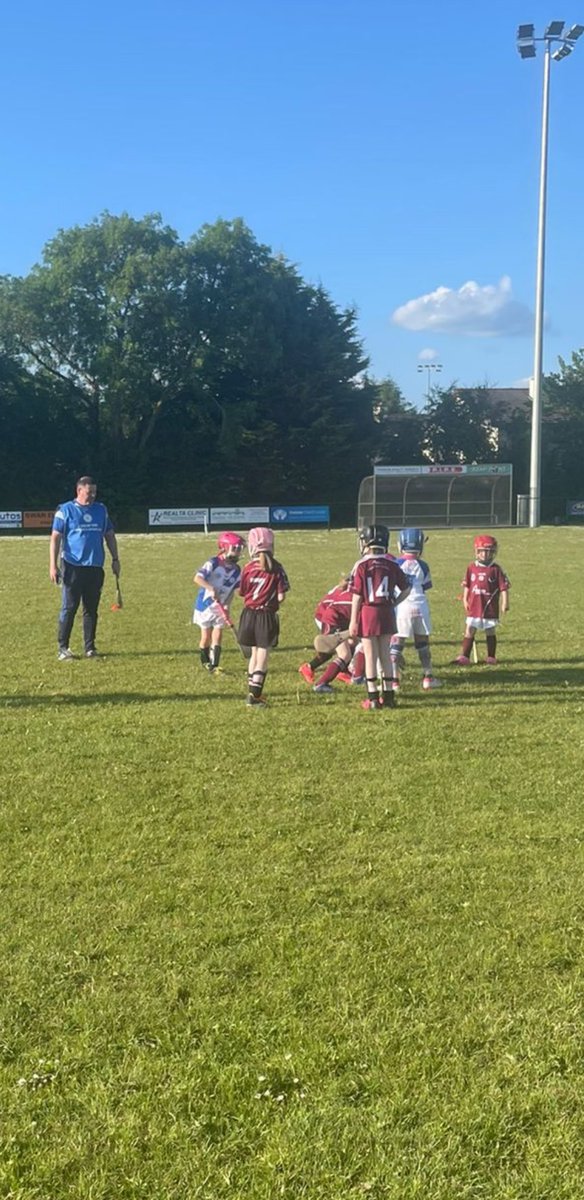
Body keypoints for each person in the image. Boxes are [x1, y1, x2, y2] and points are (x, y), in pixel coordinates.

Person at [49, 476, 120, 659]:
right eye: (89, 492)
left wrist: (115, 558)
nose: (93, 496)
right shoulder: (65, 510)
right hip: (73, 566)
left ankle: (90, 648)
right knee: (70, 607)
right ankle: (63, 648)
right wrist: (53, 565)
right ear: (79, 491)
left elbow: (109, 535)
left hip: (95, 567)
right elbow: (55, 538)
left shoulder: (101, 510)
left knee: (91, 608)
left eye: (95, 492)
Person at [348, 525, 411, 710]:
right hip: (386, 611)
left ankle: (373, 697)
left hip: (369, 612)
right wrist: (394, 602)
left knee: (370, 656)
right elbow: (406, 589)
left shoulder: (361, 565)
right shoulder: (392, 563)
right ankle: (389, 696)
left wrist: (353, 620)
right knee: (385, 655)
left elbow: (357, 595)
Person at [238, 527, 290, 707]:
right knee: (262, 656)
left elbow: (242, 592)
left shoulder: (247, 568)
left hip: (248, 615)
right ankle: (255, 696)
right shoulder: (277, 567)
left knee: (253, 653)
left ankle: (251, 689)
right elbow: (282, 595)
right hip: (266, 615)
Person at [390, 528, 441, 692]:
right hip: (420, 605)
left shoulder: (396, 564)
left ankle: (394, 680)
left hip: (402, 605)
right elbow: (426, 586)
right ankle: (428, 677)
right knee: (423, 643)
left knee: (397, 643)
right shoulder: (424, 566)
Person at [453, 535, 510, 666]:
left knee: (490, 630)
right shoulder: (471, 568)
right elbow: (467, 585)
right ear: (477, 552)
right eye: (482, 551)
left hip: (489, 606)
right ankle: (464, 656)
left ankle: (491, 656)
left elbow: (503, 588)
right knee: (469, 630)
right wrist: (465, 599)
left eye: (489, 551)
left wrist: (505, 602)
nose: (485, 554)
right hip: (474, 606)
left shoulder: (496, 569)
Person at [193, 532, 245, 672]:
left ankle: (214, 665)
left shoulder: (236, 570)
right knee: (206, 636)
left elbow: (233, 590)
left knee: (218, 634)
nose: (238, 552)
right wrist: (211, 588)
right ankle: (205, 661)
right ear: (224, 547)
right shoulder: (213, 563)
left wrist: (227, 605)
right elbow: (197, 578)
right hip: (205, 605)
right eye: (235, 548)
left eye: (240, 549)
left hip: (221, 607)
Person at [298, 574, 355, 689]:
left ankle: (341, 670)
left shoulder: (350, 588)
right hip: (328, 617)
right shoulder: (355, 593)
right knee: (342, 652)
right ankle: (321, 682)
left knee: (350, 643)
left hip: (335, 616)